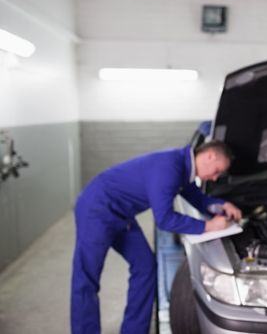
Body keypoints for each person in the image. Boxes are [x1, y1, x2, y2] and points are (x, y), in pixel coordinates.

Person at [71, 140, 242, 334]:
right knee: (87, 278)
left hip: (122, 215)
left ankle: (134, 330)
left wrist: (222, 206)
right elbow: (164, 219)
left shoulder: (184, 168)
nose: (215, 177)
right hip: (97, 209)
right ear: (210, 156)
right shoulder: (170, 167)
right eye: (217, 171)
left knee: (145, 266)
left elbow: (198, 199)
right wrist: (208, 226)